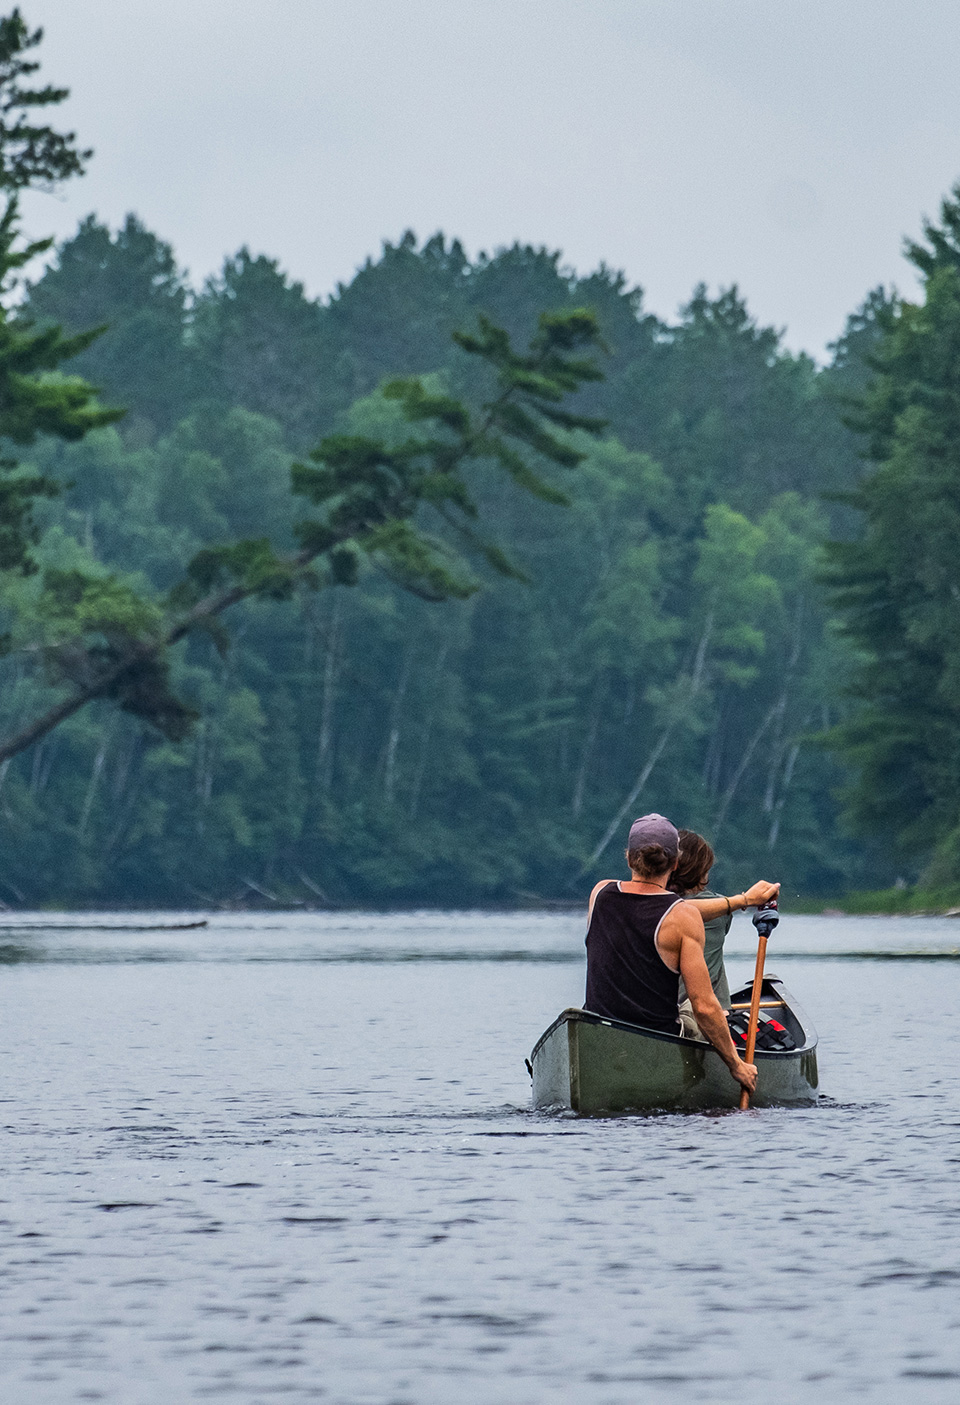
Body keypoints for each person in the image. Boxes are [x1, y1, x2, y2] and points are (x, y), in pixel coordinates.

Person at [584, 813, 778, 1097]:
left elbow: (641, 906)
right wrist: (737, 1066)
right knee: (711, 1008)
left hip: (600, 1033)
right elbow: (704, 1006)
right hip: (659, 1038)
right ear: (674, 863)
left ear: (629, 859)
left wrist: (741, 901)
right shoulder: (682, 916)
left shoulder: (599, 893)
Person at [670, 829, 732, 1010]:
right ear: (701, 870)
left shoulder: (650, 905)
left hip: (659, 1012)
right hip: (703, 1014)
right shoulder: (720, 908)